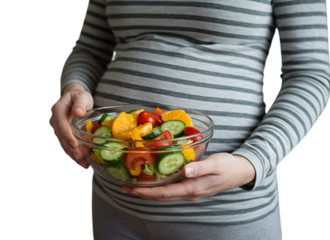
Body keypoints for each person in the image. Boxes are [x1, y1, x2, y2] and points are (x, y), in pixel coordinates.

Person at [49, 0, 329, 239]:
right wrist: (74, 88)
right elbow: (90, 48)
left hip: (226, 214)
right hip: (113, 204)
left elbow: (310, 75)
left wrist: (252, 162)